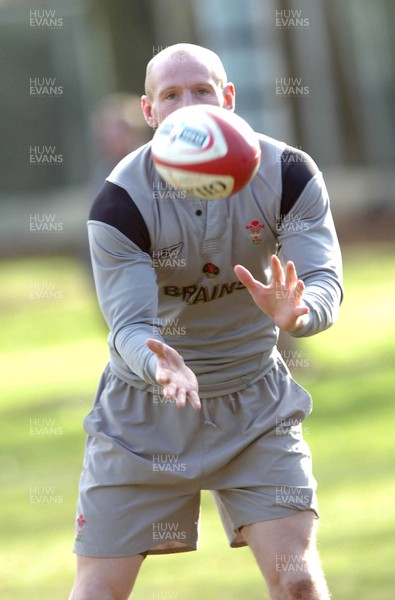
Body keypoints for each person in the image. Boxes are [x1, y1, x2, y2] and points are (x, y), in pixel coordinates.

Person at [69, 43, 343, 600]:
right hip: (143, 415)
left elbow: (323, 281)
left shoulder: (288, 174)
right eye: (171, 95)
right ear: (149, 112)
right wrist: (158, 364)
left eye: (202, 91)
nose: (188, 105)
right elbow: (127, 327)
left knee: (298, 583)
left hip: (254, 406)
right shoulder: (121, 201)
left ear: (230, 100)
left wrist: (303, 312)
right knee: (99, 593)